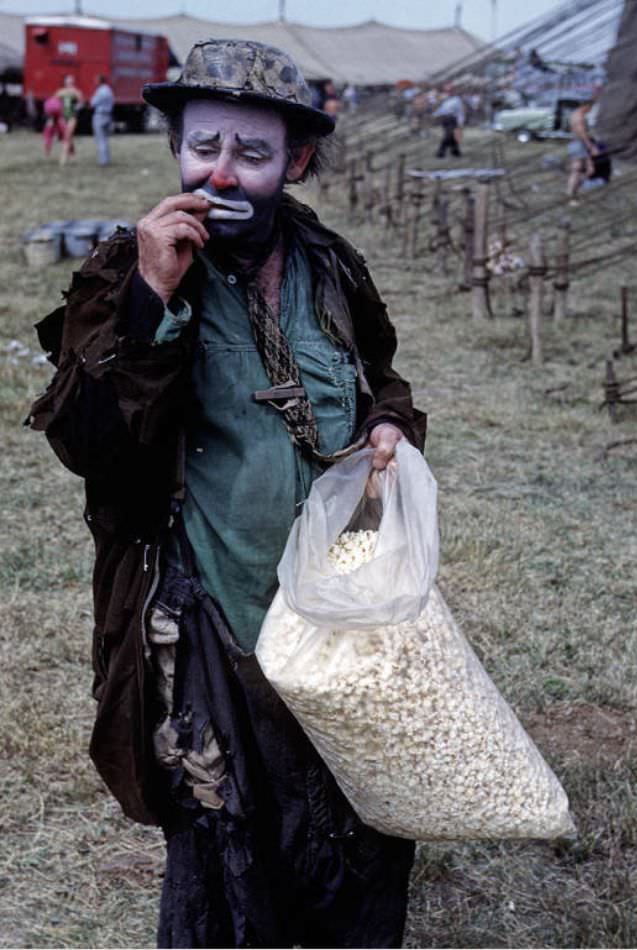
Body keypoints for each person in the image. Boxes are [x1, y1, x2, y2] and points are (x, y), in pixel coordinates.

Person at [28, 38, 426, 949]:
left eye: (253, 154)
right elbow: (89, 446)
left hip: (338, 618)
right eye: (205, 148)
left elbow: (381, 382)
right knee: (223, 847)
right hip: (206, 617)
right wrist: (150, 295)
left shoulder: (331, 268)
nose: (224, 175)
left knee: (353, 837)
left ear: (297, 160)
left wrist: (388, 428)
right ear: (176, 149)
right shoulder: (124, 270)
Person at [566, 97, 601, 204]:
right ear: (586, 106)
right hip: (579, 144)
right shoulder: (579, 116)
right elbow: (582, 133)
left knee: (586, 170)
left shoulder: (575, 114)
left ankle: (573, 193)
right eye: (591, 108)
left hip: (577, 144)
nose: (590, 110)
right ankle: (571, 195)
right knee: (577, 171)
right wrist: (591, 147)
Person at [54, 74, 83, 165]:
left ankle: (63, 159)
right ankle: (73, 155)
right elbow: (53, 103)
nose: (70, 82)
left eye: (71, 80)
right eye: (68, 80)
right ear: (65, 81)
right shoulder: (60, 92)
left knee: (67, 136)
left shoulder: (76, 92)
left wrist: (76, 107)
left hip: (72, 117)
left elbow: (81, 103)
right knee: (68, 137)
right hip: (62, 117)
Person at [433, 83, 465, 158]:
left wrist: (461, 121)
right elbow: (442, 109)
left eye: (450, 90)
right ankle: (455, 151)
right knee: (450, 135)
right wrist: (435, 114)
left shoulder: (457, 100)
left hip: (452, 119)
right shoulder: (444, 99)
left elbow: (460, 111)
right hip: (445, 119)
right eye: (446, 91)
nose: (448, 92)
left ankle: (441, 152)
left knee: (450, 135)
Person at [90, 74, 114, 166]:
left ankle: (103, 161)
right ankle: (107, 159)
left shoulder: (100, 91)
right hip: (108, 115)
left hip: (99, 116)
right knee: (105, 139)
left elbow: (93, 103)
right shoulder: (109, 90)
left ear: (100, 81)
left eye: (96, 80)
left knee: (100, 139)